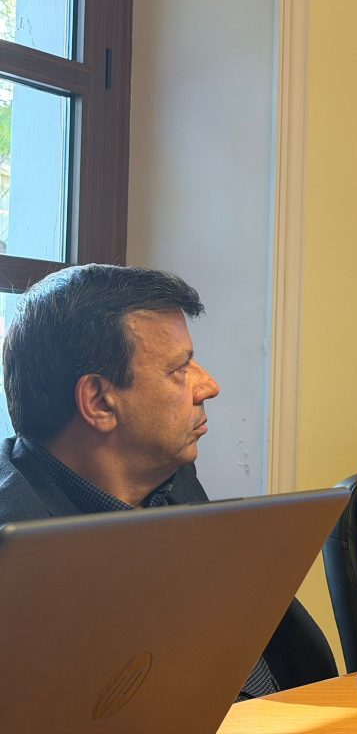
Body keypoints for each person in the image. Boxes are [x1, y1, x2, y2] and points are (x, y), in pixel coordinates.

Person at [0, 264, 336, 698]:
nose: (208, 386)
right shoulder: (16, 543)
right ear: (99, 402)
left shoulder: (172, 479)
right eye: (180, 368)